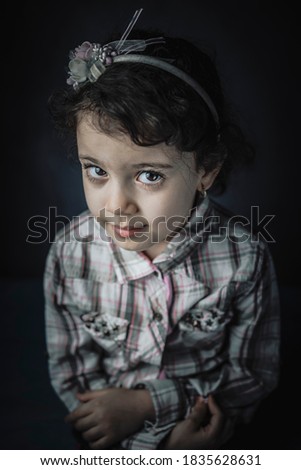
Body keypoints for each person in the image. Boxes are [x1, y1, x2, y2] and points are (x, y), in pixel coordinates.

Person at [43, 8, 280, 450]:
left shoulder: (243, 259)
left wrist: (157, 407)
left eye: (150, 175)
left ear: (206, 170)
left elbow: (251, 374)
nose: (116, 205)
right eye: (95, 170)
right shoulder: (71, 254)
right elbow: (71, 369)